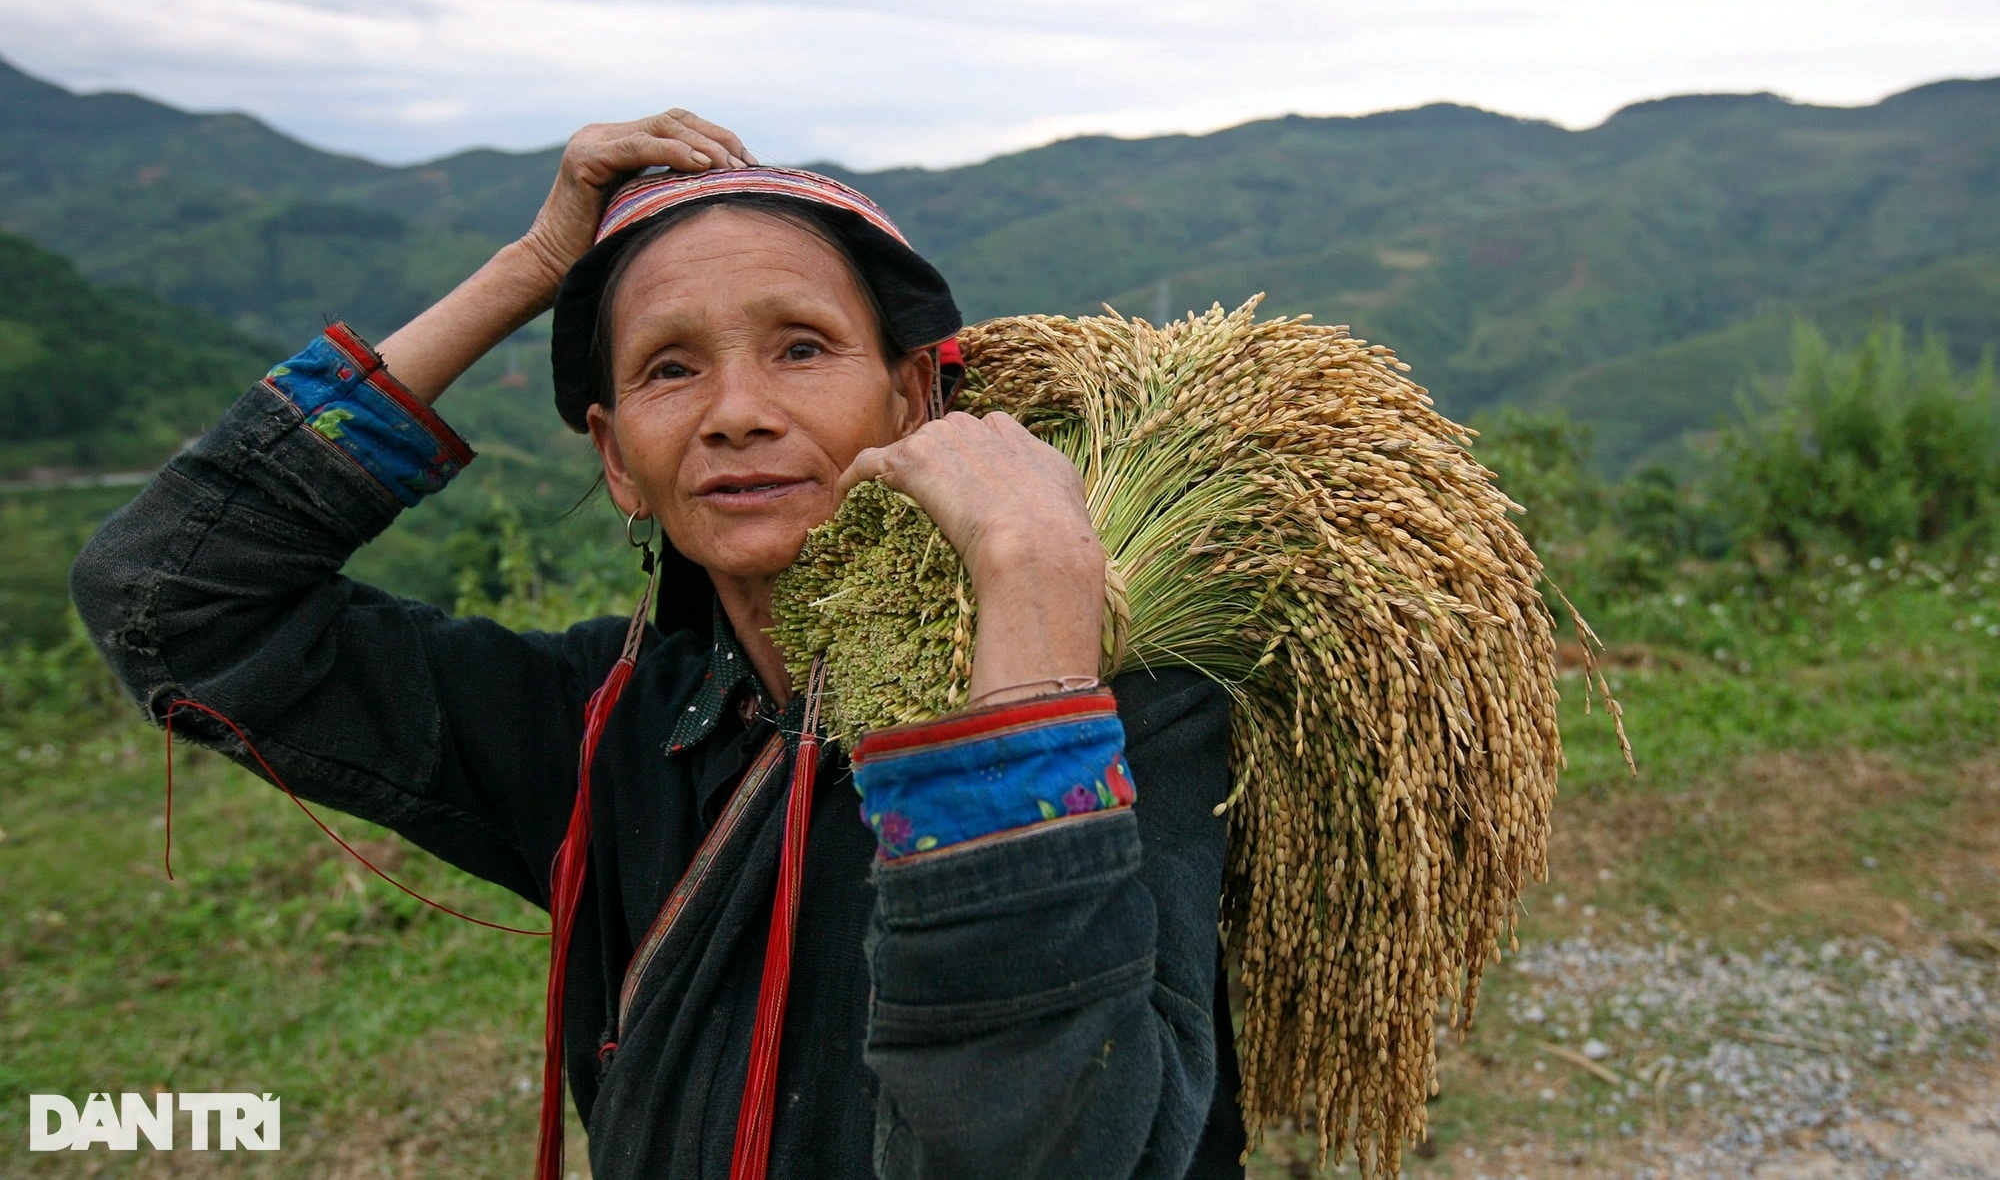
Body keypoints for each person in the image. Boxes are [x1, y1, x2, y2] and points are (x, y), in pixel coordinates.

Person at [70, 109, 1244, 1178]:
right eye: (668, 368)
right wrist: (528, 270)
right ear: (617, 459)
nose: (735, 409)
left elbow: (1051, 1148)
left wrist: (1033, 597)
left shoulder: (1122, 718)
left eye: (800, 347)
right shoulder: (604, 727)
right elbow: (168, 600)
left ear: (913, 407)